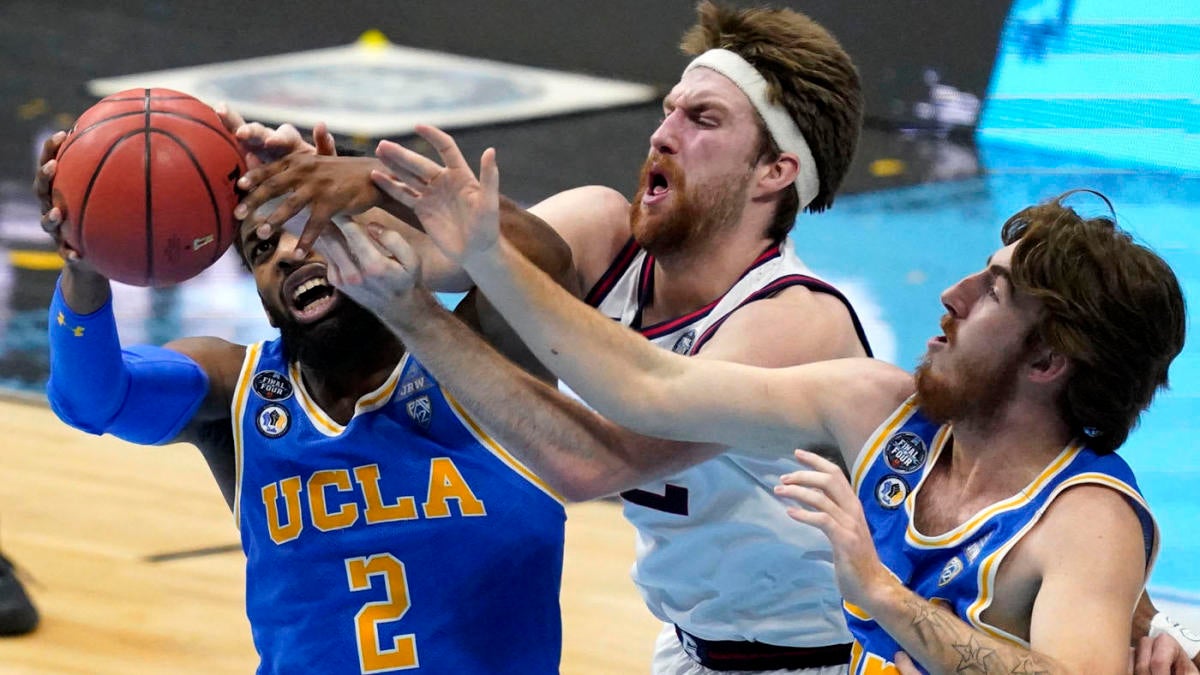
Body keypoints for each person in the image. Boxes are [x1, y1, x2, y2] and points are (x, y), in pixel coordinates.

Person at [309, 126, 1187, 675]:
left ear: (1049, 362)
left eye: (992, 292)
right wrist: (486, 260)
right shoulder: (879, 410)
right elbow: (648, 385)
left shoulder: (1083, 519)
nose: (952, 296)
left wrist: (885, 597)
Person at [233, 4, 870, 671]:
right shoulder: (605, 232)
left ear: (775, 172)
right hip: (691, 650)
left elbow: (595, 462)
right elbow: (436, 250)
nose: (663, 134)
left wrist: (401, 259)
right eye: (669, 109)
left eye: (702, 119)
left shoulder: (792, 320)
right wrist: (307, 192)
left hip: (825, 657)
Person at [34, 124, 583, 673]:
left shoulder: (481, 363)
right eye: (263, 248)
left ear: (376, 234)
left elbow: (546, 261)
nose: (289, 254)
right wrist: (84, 265)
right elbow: (94, 398)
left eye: (310, 225)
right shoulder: (236, 389)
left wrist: (381, 184)